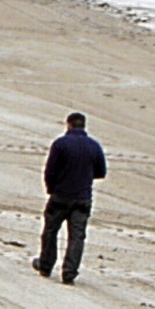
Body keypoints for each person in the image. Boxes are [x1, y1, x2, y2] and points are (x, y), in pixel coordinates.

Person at [34, 110, 107, 283]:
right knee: (77, 236)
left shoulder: (60, 144)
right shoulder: (94, 146)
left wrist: (51, 189)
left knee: (51, 231)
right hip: (82, 197)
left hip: (60, 195)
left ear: (69, 125)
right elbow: (101, 172)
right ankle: (69, 272)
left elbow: (50, 171)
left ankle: (46, 265)